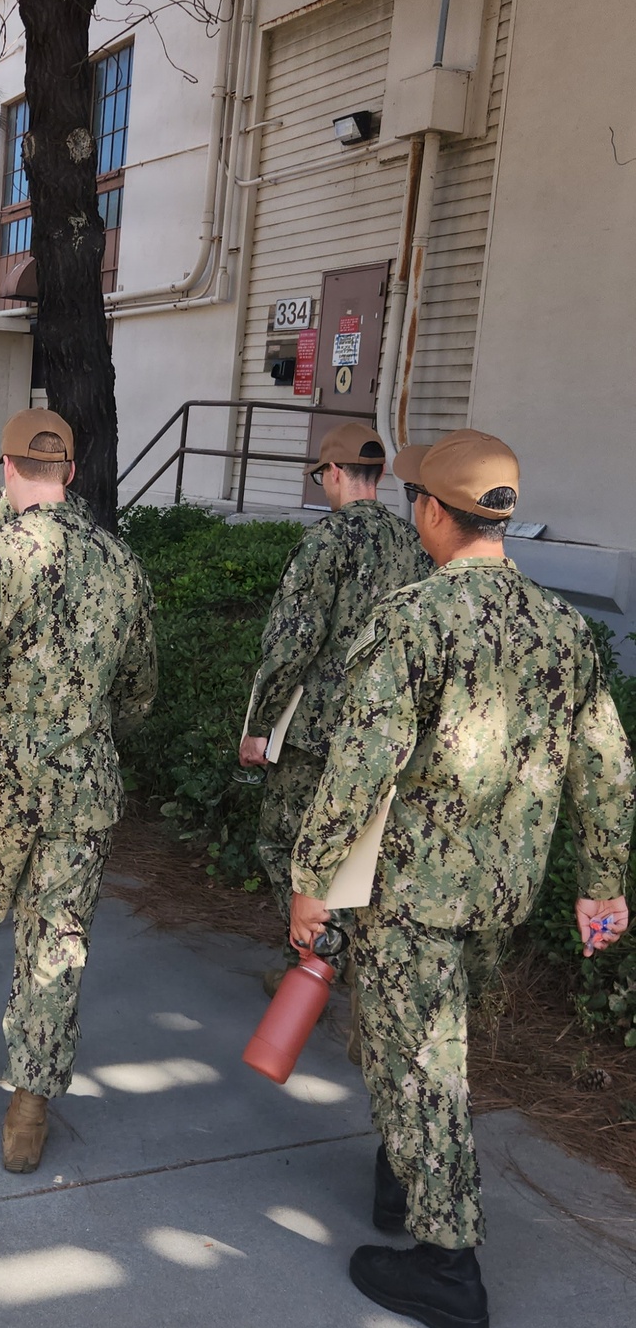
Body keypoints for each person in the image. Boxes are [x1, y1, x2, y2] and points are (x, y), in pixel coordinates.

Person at [288, 429, 634, 1328]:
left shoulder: (412, 620)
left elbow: (359, 770)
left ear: (434, 512)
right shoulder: (564, 628)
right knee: (438, 1051)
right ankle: (404, 1176)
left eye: (416, 502)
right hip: (499, 893)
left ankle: (449, 1268)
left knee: (423, 1063)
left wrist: (312, 881)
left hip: (411, 893)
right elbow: (607, 769)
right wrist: (602, 883)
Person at [0, 408, 157, 1175]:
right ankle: (28, 1113)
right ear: (70, 474)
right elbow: (141, 690)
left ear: (6, 469)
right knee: (56, 948)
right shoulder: (120, 564)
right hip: (80, 795)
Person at [239, 422, 432, 1002]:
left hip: (314, 732)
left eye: (323, 473)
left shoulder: (325, 542)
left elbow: (291, 642)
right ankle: (347, 964)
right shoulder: (414, 542)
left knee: (285, 846)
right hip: (384, 733)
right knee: (356, 851)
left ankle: (319, 961)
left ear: (337, 473)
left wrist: (257, 726)